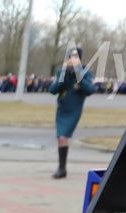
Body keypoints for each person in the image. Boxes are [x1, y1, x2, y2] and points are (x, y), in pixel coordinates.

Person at [50, 46, 95, 178]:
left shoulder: (85, 72)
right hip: (62, 109)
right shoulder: (61, 71)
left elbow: (90, 90)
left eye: (75, 57)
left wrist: (78, 76)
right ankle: (62, 168)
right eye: (70, 57)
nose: (72, 59)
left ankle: (61, 168)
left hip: (74, 109)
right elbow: (52, 90)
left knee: (63, 136)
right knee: (61, 137)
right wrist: (63, 76)